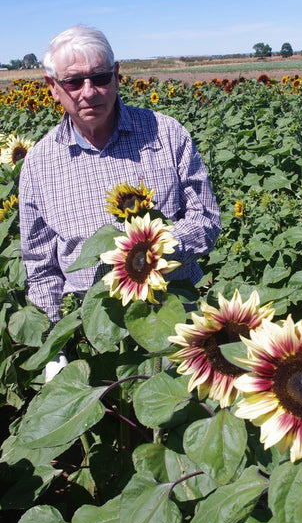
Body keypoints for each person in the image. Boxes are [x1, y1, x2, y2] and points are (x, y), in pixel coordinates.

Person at [19, 25, 221, 329]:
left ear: (116, 75)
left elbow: (206, 219)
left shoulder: (166, 134)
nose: (89, 92)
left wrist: (150, 251)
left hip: (174, 314)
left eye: (99, 78)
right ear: (53, 86)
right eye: (73, 82)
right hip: (95, 329)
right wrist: (53, 338)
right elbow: (41, 268)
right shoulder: (39, 164)